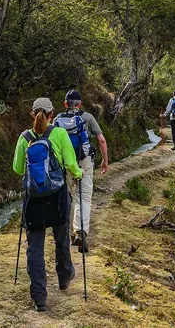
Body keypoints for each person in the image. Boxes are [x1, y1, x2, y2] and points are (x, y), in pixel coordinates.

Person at [13, 97, 83, 312]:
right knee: (61, 238)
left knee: (35, 248)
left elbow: (17, 169)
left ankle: (39, 299)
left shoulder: (24, 138)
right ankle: (64, 278)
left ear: (32, 114)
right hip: (58, 197)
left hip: (33, 200)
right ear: (52, 114)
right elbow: (71, 164)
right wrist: (79, 173)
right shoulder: (59, 134)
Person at [53, 89, 109, 252]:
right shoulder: (88, 117)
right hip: (84, 160)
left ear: (65, 104)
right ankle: (80, 232)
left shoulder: (57, 119)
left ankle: (69, 233)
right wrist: (105, 160)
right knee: (83, 196)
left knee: (68, 196)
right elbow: (101, 139)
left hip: (66, 162)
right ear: (79, 104)